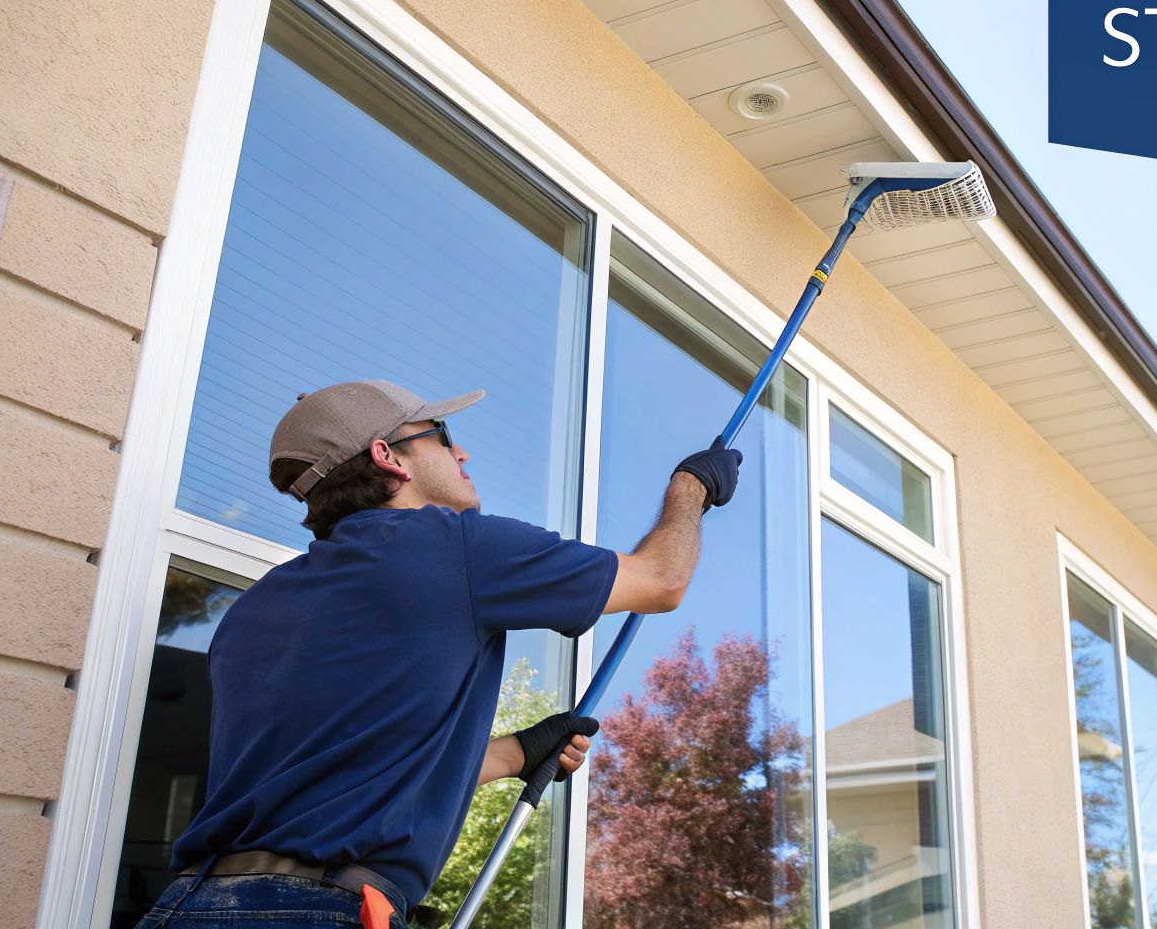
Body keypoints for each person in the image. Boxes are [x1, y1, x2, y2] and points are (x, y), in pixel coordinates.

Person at [137, 380, 741, 928]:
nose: (461, 454)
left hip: (187, 906)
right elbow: (662, 580)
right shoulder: (454, 549)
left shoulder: (252, 611)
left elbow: (349, 776)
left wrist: (516, 754)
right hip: (319, 910)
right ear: (386, 455)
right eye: (443, 437)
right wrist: (690, 487)